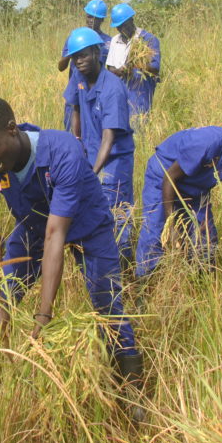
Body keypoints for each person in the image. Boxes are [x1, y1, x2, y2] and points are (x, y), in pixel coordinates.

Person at [0, 97, 144, 409]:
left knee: (107, 302)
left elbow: (55, 234)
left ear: (12, 129)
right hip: (33, 226)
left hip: (86, 224)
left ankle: (130, 385)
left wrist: (44, 314)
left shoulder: (62, 151)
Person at [134, 109, 222, 278]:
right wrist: (170, 224)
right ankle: (144, 283)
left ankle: (200, 283)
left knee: (205, 239)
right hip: (163, 180)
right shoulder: (207, 142)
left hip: (197, 188)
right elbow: (169, 179)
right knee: (156, 233)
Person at [64, 27, 136, 267]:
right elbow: (75, 107)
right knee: (92, 213)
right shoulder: (78, 75)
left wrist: (92, 172)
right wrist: (76, 144)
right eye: (75, 57)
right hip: (91, 155)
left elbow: (109, 137)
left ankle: (122, 266)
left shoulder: (112, 88)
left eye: (84, 55)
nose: (79, 61)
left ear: (97, 53)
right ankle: (98, 264)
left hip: (114, 162)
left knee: (116, 215)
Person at [56, 0, 111, 130]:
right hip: (76, 90)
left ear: (102, 20)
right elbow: (61, 67)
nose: (91, 20)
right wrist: (73, 50)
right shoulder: (75, 37)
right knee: (72, 128)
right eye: (89, 16)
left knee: (94, 129)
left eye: (96, 18)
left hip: (97, 93)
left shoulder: (108, 42)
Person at [105, 4, 161, 118]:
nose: (122, 30)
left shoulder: (147, 39)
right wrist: (119, 71)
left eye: (124, 26)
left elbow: (155, 69)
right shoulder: (115, 40)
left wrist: (135, 65)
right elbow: (110, 68)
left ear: (131, 21)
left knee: (138, 125)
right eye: (119, 27)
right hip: (118, 91)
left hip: (140, 92)